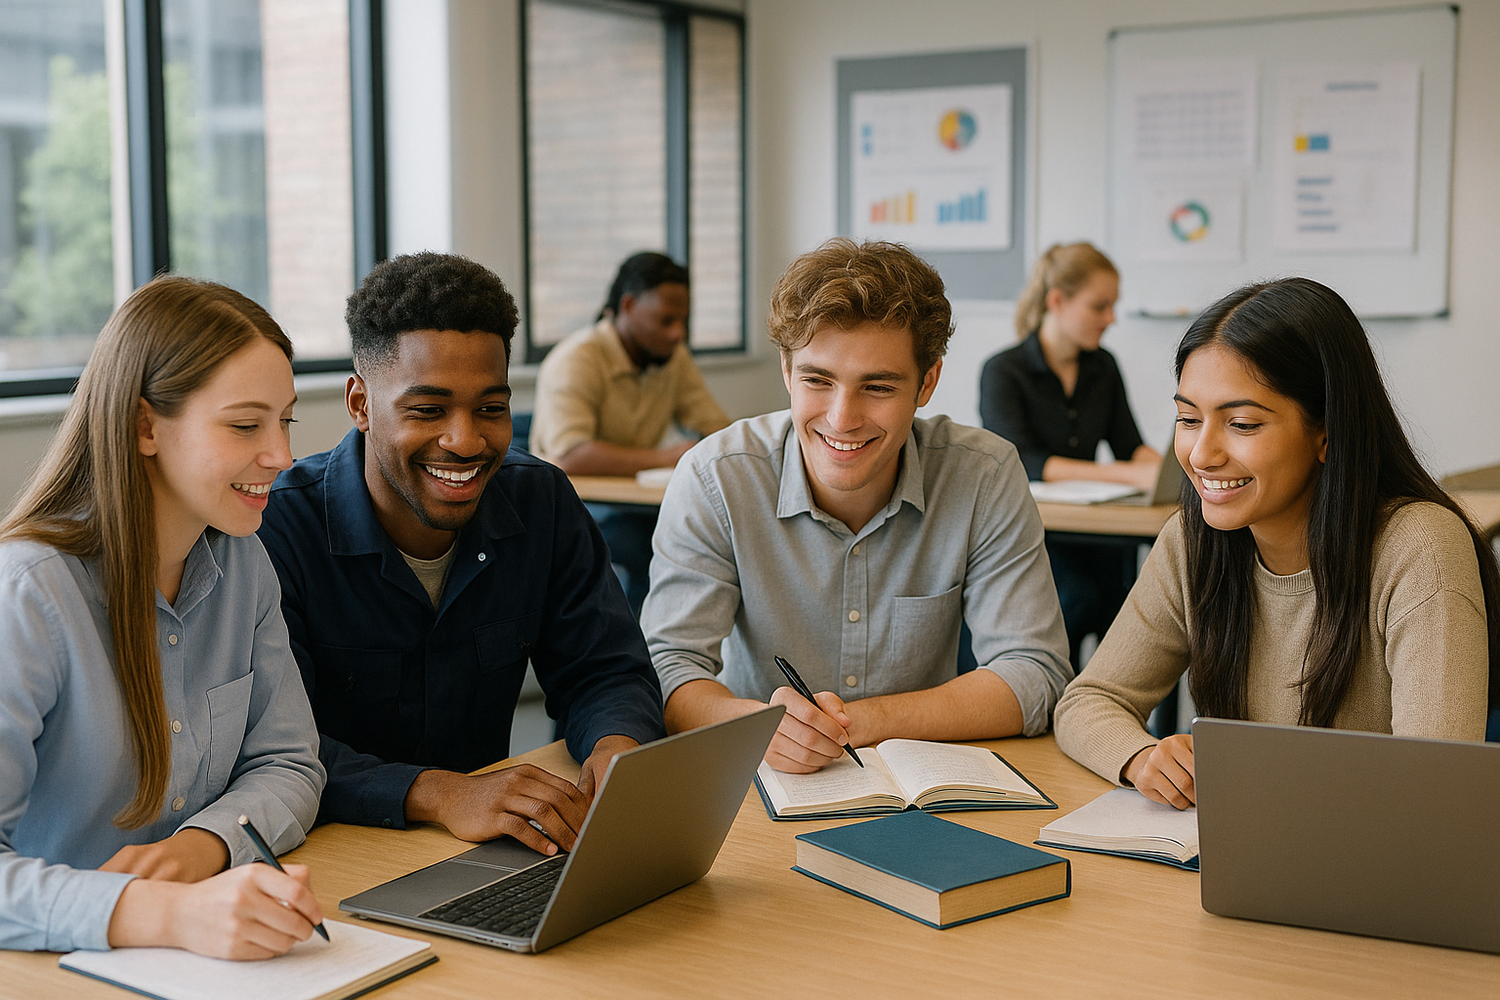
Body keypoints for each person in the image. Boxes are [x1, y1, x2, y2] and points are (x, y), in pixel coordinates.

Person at [258, 252, 665, 857]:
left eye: (491, 409)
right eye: (427, 410)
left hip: (491, 851)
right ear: (361, 404)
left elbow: (604, 670)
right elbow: (273, 745)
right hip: (331, 858)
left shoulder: (541, 501)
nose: (466, 440)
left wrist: (616, 746)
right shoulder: (276, 528)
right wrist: (441, 794)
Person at [1053, 277, 1499, 809]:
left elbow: (1435, 784)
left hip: (1367, 872)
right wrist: (1140, 756)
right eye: (1188, 419)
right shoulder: (1192, 540)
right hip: (1229, 859)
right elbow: (1088, 700)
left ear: (1327, 432)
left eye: (1241, 423)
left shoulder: (1419, 546)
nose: (1200, 454)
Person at [643, 238, 1071, 773]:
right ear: (786, 370)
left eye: (877, 386)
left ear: (927, 382)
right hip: (758, 779)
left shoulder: (983, 475)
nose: (843, 418)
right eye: (818, 380)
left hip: (924, 793)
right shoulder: (715, 478)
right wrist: (756, 727)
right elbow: (667, 669)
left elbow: (1034, 674)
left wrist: (860, 722)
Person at [0, 276, 325, 956]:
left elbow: (290, 763)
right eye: (245, 425)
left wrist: (200, 849)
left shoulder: (245, 565)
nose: (282, 456)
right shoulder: (29, 594)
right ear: (146, 426)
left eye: (284, 420)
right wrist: (161, 913)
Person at [979, 243, 1160, 669]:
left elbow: (1128, 444)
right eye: (1100, 306)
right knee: (1079, 602)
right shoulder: (1003, 371)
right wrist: (1130, 477)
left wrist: (1166, 467)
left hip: (1104, 537)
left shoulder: (1104, 366)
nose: (1111, 319)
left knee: (1147, 619)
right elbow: (1025, 461)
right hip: (1039, 537)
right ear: (1057, 301)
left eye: (1113, 306)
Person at [532, 252, 730, 612]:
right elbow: (572, 457)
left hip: (636, 500)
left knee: (711, 534)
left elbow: (715, 426)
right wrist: (670, 456)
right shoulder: (577, 359)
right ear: (627, 305)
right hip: (576, 505)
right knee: (654, 547)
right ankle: (639, 659)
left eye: (683, 320)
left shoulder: (671, 357)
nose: (677, 333)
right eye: (666, 320)